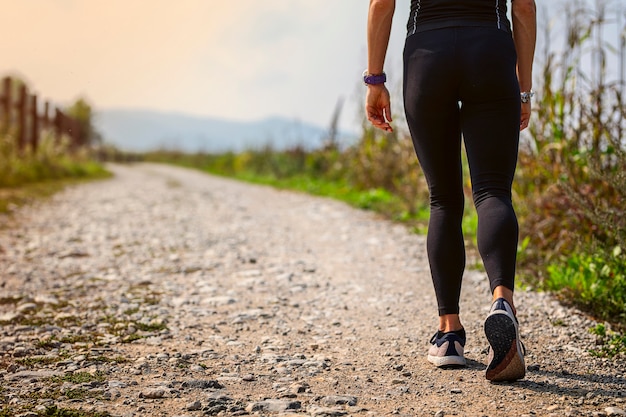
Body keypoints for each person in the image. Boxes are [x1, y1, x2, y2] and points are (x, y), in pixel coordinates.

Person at [365, 0, 536, 382]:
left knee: (443, 199)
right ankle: (501, 302)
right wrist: (523, 90)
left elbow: (381, 4)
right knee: (493, 191)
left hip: (428, 53)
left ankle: (449, 335)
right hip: (489, 50)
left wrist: (375, 80)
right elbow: (524, 7)